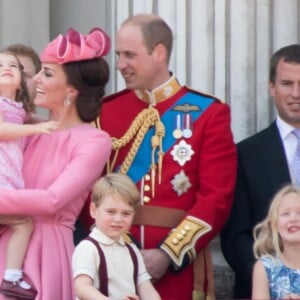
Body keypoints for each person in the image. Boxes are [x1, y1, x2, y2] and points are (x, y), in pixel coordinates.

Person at [78, 13, 237, 299]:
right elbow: (89, 192)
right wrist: (118, 249)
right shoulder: (105, 113)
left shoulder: (208, 113)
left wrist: (168, 254)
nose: (120, 65)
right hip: (112, 264)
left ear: (159, 53)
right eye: (118, 55)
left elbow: (217, 199)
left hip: (176, 268)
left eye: (129, 55)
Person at [0, 27, 112, 300]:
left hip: (45, 253)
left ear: (71, 90)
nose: (35, 78)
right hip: (7, 241)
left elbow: (52, 200)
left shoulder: (94, 140)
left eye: (47, 73)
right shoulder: (26, 131)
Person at [221, 44, 300, 298]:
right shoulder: (245, 154)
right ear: (271, 87)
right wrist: (273, 281)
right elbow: (235, 237)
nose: (296, 93)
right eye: (287, 83)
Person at [0, 50, 60, 299]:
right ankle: (11, 276)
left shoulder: (17, 109)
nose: (7, 68)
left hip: (11, 182)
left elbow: (28, 117)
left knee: (23, 224)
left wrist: (46, 122)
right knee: (22, 222)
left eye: (13, 65)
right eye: (0, 65)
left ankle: (11, 277)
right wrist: (38, 128)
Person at [73, 173, 161, 300]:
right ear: (93, 210)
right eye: (111, 212)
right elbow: (82, 287)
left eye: (126, 213)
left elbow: (146, 288)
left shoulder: (132, 250)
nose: (118, 219)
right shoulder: (87, 248)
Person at [252, 184, 300, 299]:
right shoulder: (265, 268)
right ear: (274, 224)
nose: (293, 219)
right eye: (285, 213)